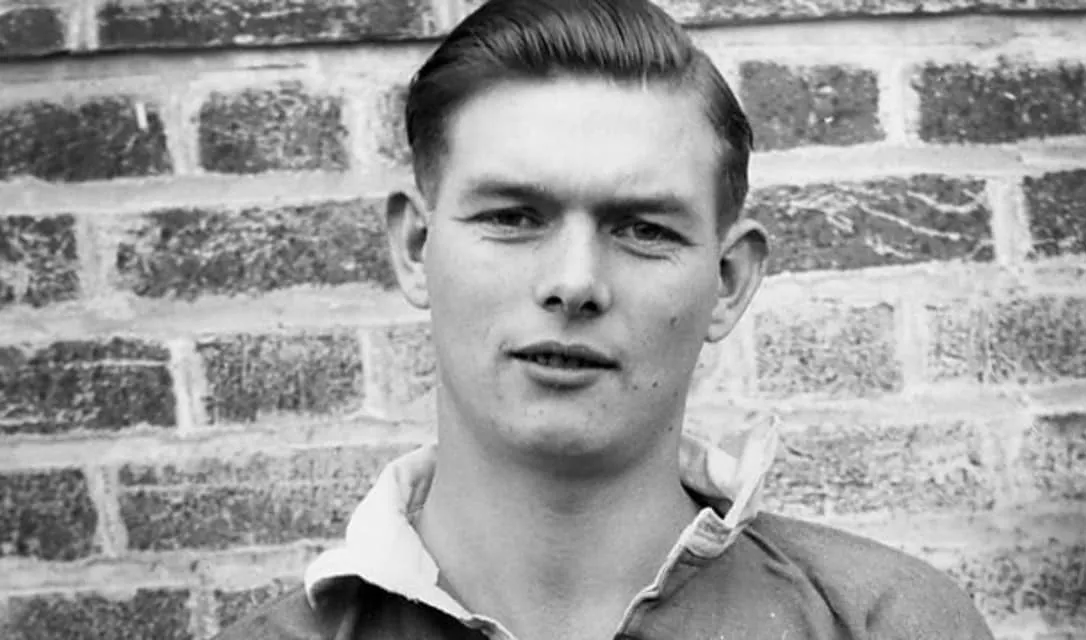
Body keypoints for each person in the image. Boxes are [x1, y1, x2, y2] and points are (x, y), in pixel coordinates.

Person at [215, 0, 995, 638]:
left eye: (643, 229)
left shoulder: (890, 623)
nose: (574, 283)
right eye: (513, 217)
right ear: (416, 248)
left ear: (728, 282)